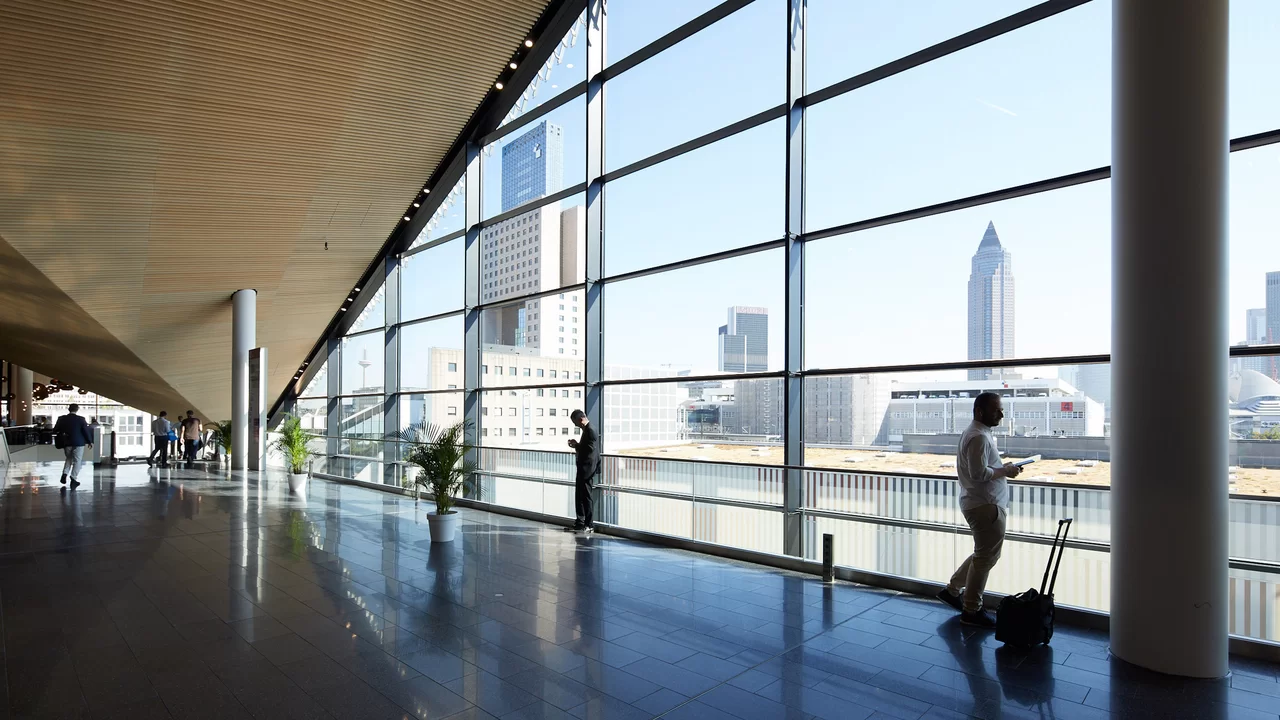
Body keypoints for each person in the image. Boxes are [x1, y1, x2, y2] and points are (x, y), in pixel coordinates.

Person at [937, 392, 1022, 627]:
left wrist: (1002, 468)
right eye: (997, 410)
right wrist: (1005, 471)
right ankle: (971, 610)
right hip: (985, 505)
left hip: (979, 503)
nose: (1001, 414)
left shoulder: (976, 433)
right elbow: (979, 474)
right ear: (980, 411)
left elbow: (982, 469)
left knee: (983, 554)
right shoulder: (979, 437)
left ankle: (953, 590)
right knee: (985, 558)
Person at [567, 409, 600, 534]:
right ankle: (580, 522)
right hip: (584, 468)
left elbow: (589, 451)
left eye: (575, 422)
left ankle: (588, 524)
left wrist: (576, 445)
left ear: (580, 419)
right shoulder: (588, 429)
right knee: (580, 496)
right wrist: (578, 445)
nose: (576, 425)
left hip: (587, 469)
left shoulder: (590, 430)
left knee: (586, 497)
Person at [53, 403, 94, 488]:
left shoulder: (61, 419)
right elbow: (85, 431)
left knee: (69, 458)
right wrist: (89, 441)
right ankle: (73, 478)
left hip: (67, 442)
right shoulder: (81, 419)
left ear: (69, 409)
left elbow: (55, 430)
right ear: (77, 409)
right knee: (77, 461)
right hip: (79, 443)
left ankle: (64, 474)